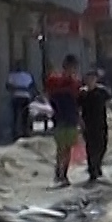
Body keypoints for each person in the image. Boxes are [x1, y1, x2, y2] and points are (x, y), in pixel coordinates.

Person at [43, 55, 83, 187]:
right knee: (60, 148)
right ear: (65, 67)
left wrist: (80, 119)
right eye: (70, 67)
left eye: (74, 68)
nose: (72, 70)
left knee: (67, 149)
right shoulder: (54, 81)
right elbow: (49, 95)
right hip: (59, 118)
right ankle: (58, 172)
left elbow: (79, 103)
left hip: (71, 118)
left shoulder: (76, 84)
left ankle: (64, 174)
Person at [77, 69, 112, 182]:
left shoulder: (102, 91)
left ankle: (97, 164)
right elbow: (78, 109)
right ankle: (92, 170)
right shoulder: (82, 93)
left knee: (102, 146)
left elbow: (110, 104)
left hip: (101, 123)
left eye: (93, 78)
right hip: (88, 124)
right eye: (88, 78)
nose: (90, 80)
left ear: (96, 79)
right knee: (90, 147)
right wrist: (80, 122)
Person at [6, 61, 36, 139]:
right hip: (23, 96)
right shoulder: (26, 76)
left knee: (18, 116)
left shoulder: (13, 76)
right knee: (22, 116)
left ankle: (18, 132)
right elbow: (32, 86)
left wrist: (16, 88)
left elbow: (8, 86)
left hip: (18, 96)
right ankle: (23, 131)